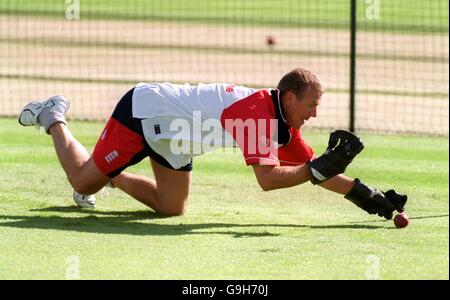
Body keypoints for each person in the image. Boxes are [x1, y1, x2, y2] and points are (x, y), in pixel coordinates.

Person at [18, 68, 407, 218]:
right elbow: (269, 180)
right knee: (83, 183)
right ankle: (53, 116)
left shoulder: (282, 122)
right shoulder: (256, 112)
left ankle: (112, 175)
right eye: (312, 105)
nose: (315, 114)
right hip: (145, 113)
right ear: (289, 98)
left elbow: (318, 171)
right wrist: (316, 169)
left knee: (172, 209)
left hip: (178, 141)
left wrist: (365, 195)